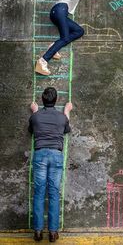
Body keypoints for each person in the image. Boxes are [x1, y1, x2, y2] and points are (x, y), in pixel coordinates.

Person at [28, 87, 73, 242]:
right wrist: (67, 110)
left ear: (42, 100)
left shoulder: (36, 116)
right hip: (56, 155)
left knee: (39, 193)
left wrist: (34, 112)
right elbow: (67, 129)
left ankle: (38, 232)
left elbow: (31, 130)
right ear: (56, 100)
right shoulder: (61, 117)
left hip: (40, 154)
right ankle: (53, 233)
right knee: (54, 193)